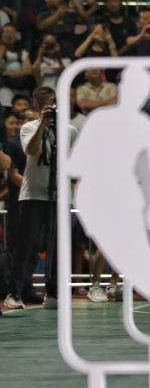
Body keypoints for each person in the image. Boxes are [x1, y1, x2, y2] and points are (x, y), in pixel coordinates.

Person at [5, 87, 78, 310]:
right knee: (27, 246)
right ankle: (15, 292)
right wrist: (44, 125)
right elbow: (32, 150)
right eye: (43, 102)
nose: (48, 106)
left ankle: (54, 292)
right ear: (36, 104)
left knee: (58, 246)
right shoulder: (28, 127)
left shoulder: (70, 130)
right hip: (33, 194)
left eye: (51, 102)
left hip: (60, 195)